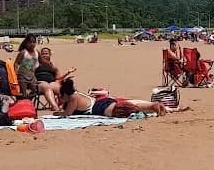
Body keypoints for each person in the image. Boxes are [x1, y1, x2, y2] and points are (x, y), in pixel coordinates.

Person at [57, 78, 186, 117]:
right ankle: (170, 109)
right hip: (104, 102)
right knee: (133, 104)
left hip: (101, 108)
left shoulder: (73, 98)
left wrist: (58, 112)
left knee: (127, 108)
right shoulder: (79, 94)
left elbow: (67, 114)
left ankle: (154, 106)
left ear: (65, 95)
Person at [34, 47, 75, 111]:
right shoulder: (36, 64)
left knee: (58, 87)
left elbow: (58, 77)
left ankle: (66, 105)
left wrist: (68, 72)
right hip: (40, 83)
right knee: (46, 86)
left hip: (51, 82)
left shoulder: (53, 66)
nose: (44, 55)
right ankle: (55, 106)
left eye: (46, 53)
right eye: (43, 54)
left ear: (50, 54)